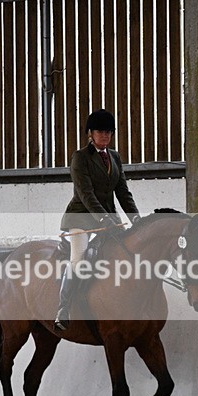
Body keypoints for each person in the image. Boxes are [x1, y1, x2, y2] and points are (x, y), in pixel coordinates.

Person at [55, 109, 140, 331]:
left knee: (123, 255)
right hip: (82, 217)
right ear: (90, 134)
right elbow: (86, 193)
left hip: (109, 217)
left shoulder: (115, 157)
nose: (105, 136)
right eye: (101, 132)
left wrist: (135, 217)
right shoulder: (80, 157)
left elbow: (123, 191)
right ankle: (63, 308)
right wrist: (103, 216)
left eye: (109, 132)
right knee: (79, 259)